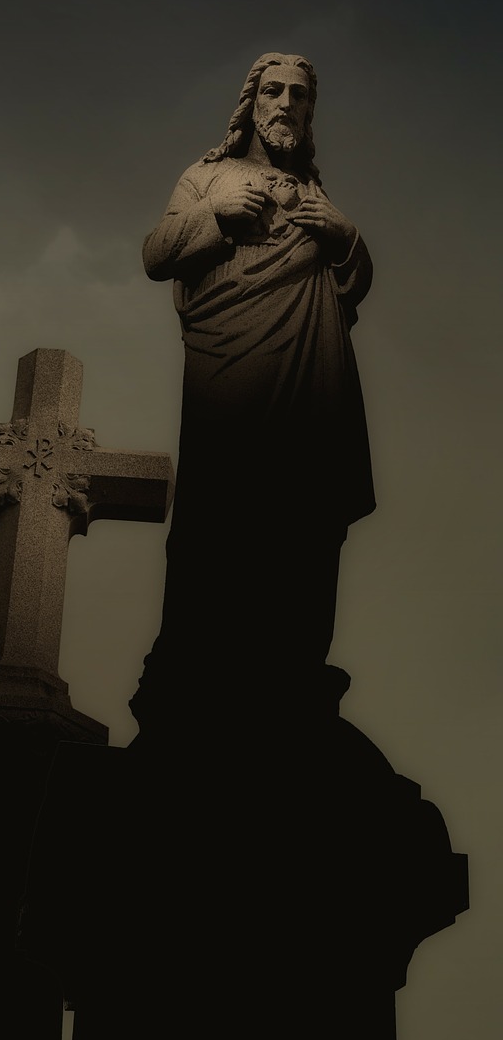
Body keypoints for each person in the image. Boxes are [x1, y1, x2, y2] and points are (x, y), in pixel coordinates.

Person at [133, 52, 373, 729]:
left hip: (309, 382)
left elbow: (353, 281)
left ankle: (294, 667)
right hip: (230, 373)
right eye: (274, 90)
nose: (286, 103)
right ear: (252, 101)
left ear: (309, 110)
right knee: (220, 511)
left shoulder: (319, 197)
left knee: (302, 519)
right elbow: (156, 254)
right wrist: (215, 215)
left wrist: (345, 236)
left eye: (300, 94)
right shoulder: (208, 175)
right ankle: (198, 663)